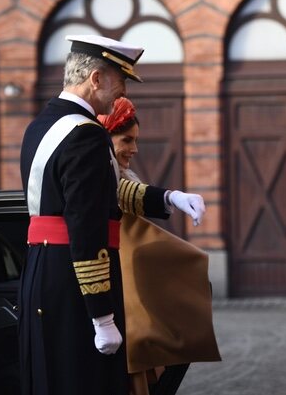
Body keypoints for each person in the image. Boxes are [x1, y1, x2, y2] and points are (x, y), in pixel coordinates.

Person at [19, 34, 202, 395]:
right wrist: (102, 315)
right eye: (121, 81)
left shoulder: (43, 123)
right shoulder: (86, 134)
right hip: (76, 284)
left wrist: (167, 198)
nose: (123, 93)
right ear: (96, 78)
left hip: (44, 272)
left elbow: (100, 191)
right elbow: (86, 225)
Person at [98, 98, 220, 395]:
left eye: (136, 140)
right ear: (104, 136)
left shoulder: (124, 179)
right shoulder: (99, 179)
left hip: (138, 302)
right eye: (126, 139)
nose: (134, 149)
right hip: (119, 303)